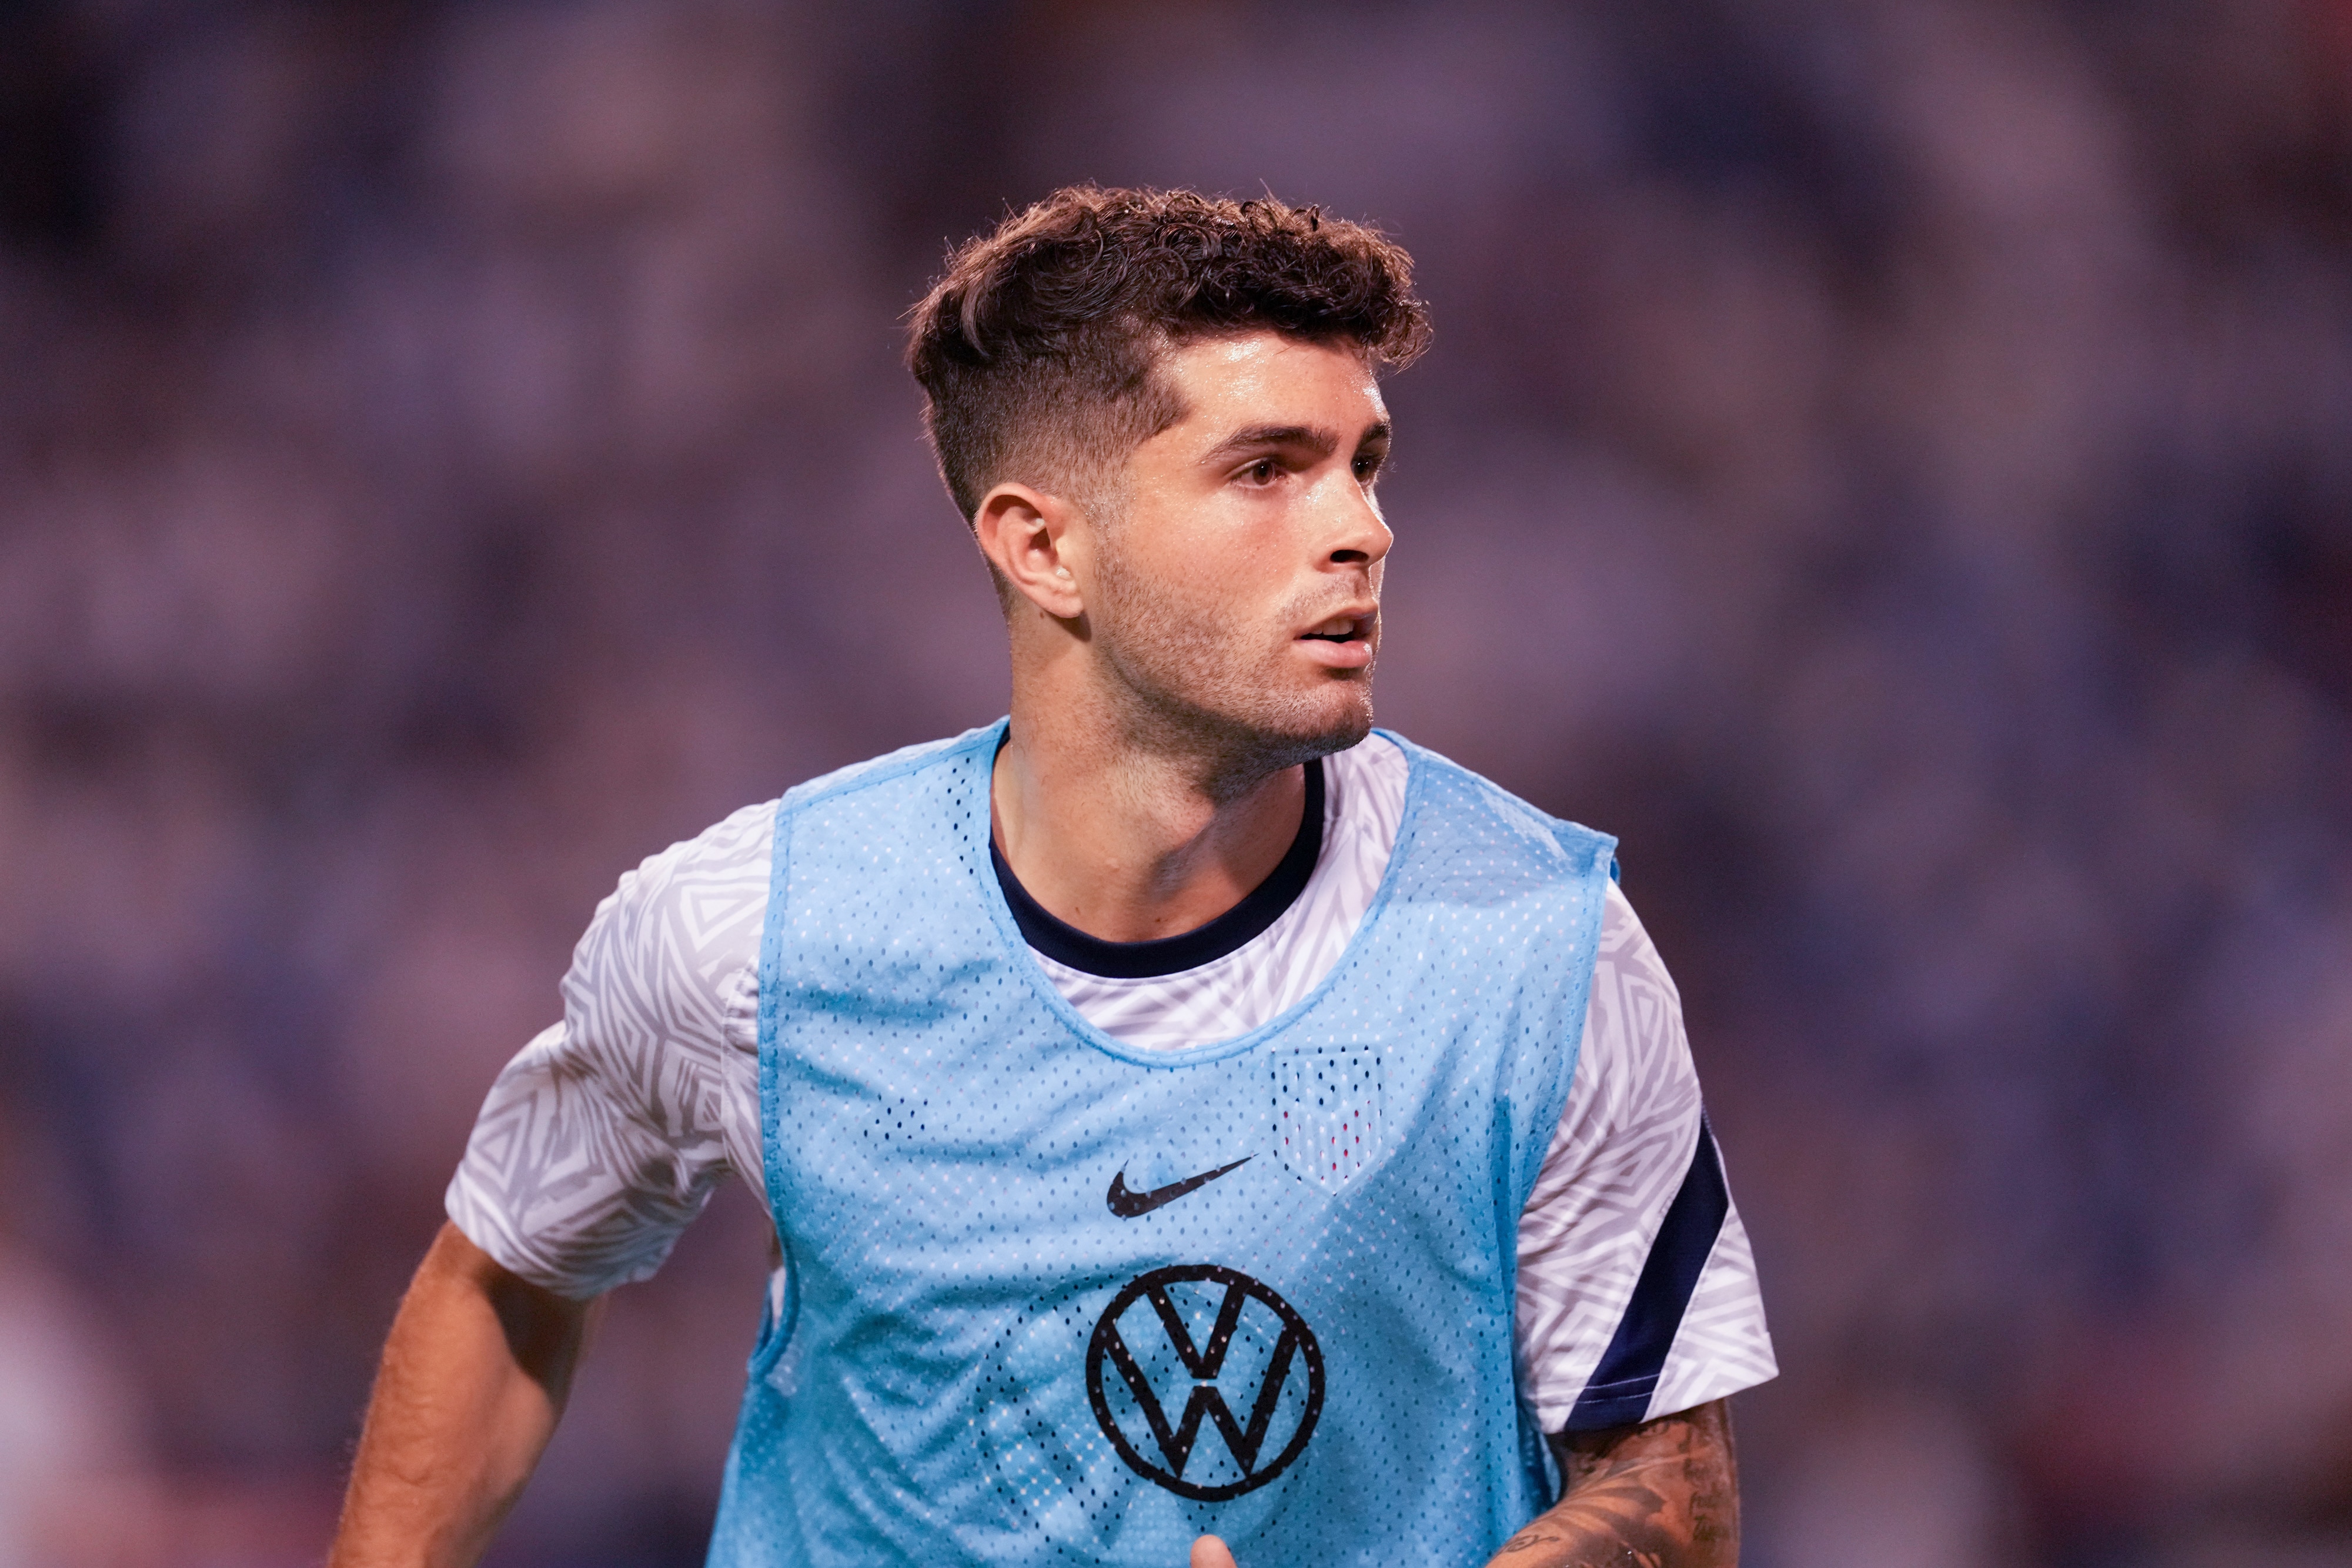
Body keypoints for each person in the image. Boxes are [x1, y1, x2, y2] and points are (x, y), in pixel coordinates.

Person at [328, 186, 1776, 1568]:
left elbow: (1671, 1486)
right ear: (1041, 546)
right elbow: (504, 1270)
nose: (1361, 529)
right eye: (1266, 469)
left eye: (1364, 463)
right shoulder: (742, 938)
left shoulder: (1538, 947)